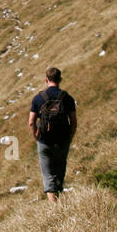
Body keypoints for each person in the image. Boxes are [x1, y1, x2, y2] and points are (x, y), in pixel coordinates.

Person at [28, 67, 77, 203]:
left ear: (46, 80)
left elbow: (31, 122)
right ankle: (59, 202)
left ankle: (55, 209)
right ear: (60, 80)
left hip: (45, 142)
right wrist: (70, 138)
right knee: (60, 172)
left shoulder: (38, 98)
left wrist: (37, 138)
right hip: (62, 140)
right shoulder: (67, 98)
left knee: (48, 176)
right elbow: (73, 122)